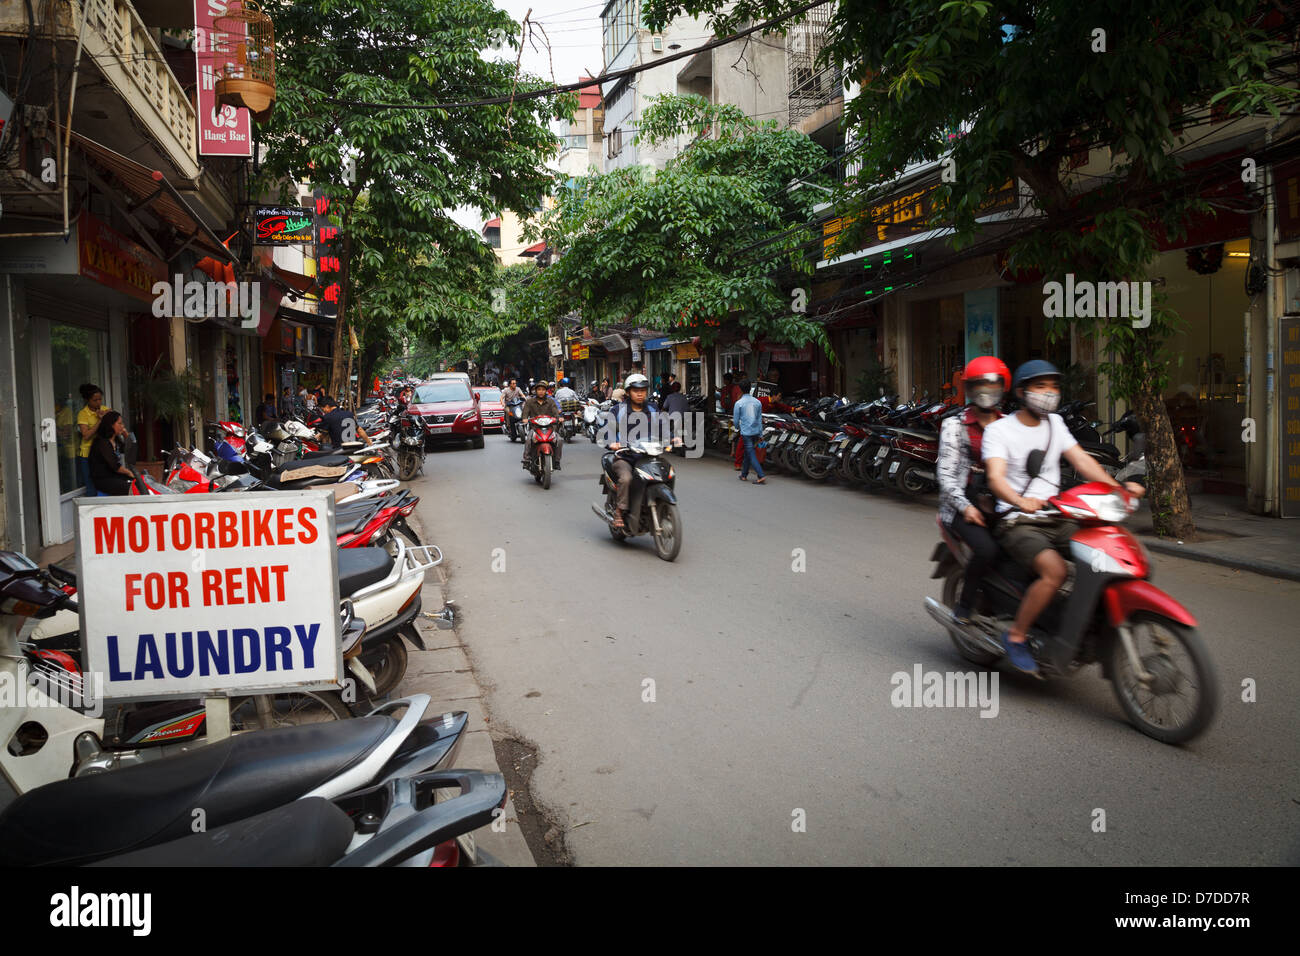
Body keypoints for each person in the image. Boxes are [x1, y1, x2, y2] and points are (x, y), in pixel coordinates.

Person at [983, 360, 1147, 675]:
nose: (1049, 393)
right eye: (1040, 386)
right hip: (1019, 519)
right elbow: (995, 478)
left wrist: (1117, 488)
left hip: (1057, 514)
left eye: (1054, 387)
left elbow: (1082, 461)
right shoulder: (999, 431)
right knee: (1054, 572)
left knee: (1105, 553)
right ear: (1021, 392)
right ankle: (1016, 634)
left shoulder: (1056, 425)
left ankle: (1083, 625)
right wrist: (1020, 500)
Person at [936, 356, 1011, 624]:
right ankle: (965, 607)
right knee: (987, 550)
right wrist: (965, 507)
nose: (985, 392)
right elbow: (945, 474)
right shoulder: (954, 425)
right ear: (969, 389)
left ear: (1002, 387)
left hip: (1002, 503)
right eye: (978, 386)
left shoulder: (1008, 424)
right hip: (961, 504)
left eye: (991, 386)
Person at [604, 374, 660, 529]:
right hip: (625, 457)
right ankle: (619, 512)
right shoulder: (618, 410)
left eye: (643, 390)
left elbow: (663, 426)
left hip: (649, 456)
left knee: (668, 472)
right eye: (636, 390)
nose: (640, 393)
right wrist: (611, 443)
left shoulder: (652, 408)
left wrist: (674, 438)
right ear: (628, 392)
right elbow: (607, 429)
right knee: (627, 478)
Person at [88, 411, 134, 495]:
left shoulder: (115, 440)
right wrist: (128, 472)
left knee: (137, 483)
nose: (122, 426)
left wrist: (125, 435)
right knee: (131, 487)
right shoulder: (102, 442)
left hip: (114, 476)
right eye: (119, 423)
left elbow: (128, 451)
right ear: (111, 425)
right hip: (104, 479)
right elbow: (115, 466)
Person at [521, 379, 563, 470]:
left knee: (559, 440)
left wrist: (558, 418)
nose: (541, 392)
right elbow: (525, 413)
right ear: (536, 391)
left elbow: (556, 413)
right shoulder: (530, 402)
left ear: (546, 391)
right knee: (528, 440)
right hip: (535, 428)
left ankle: (556, 461)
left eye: (543, 390)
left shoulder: (551, 402)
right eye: (539, 389)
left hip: (550, 428)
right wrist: (525, 419)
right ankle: (526, 460)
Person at [76, 383, 110, 496]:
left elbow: (113, 430)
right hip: (87, 454)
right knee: (90, 485)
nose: (98, 403)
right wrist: (100, 421)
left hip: (103, 452)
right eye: (95, 400)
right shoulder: (83, 414)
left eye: (100, 399)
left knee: (105, 482)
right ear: (88, 400)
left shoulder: (106, 410)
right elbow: (86, 435)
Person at [732, 380, 765, 484]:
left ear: (740, 389)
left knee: (750, 453)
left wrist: (738, 428)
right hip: (755, 431)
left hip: (746, 432)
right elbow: (759, 419)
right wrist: (760, 434)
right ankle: (744, 474)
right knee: (747, 453)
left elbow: (736, 421)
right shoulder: (757, 402)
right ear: (750, 388)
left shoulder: (739, 403)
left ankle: (761, 475)